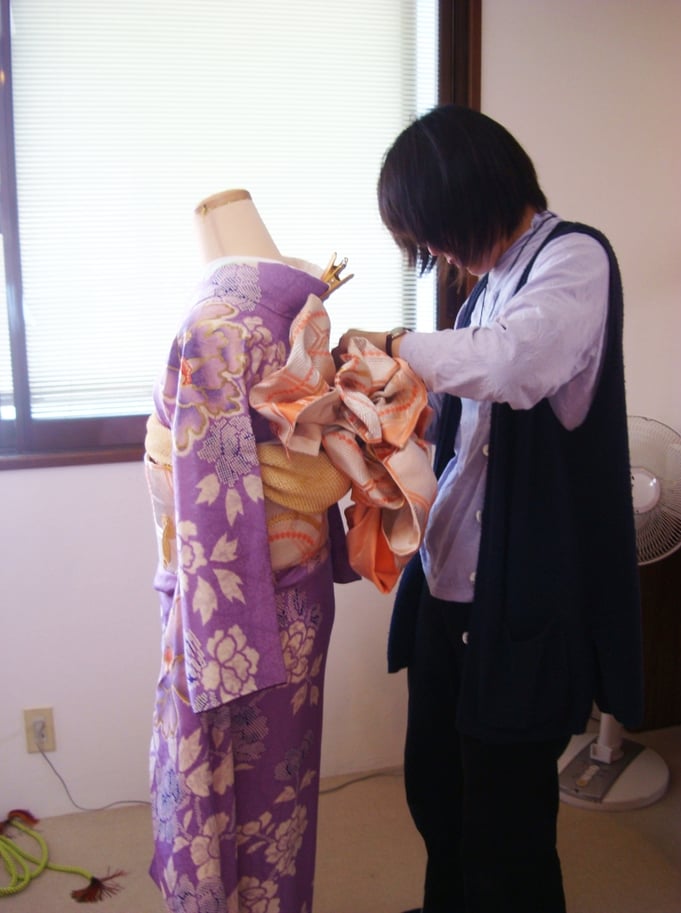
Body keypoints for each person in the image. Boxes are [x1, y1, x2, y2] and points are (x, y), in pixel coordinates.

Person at [334, 105, 643, 913]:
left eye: (436, 232)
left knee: (506, 822)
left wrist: (396, 345)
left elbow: (513, 366)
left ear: (476, 193)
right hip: (449, 586)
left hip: (517, 600)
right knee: (437, 789)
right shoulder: (484, 293)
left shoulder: (573, 258)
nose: (437, 252)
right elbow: (466, 420)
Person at [144, 188, 357, 913]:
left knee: (245, 797)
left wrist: (217, 654)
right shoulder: (290, 307)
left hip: (237, 614)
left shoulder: (219, 325)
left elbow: (209, 494)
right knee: (281, 796)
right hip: (294, 594)